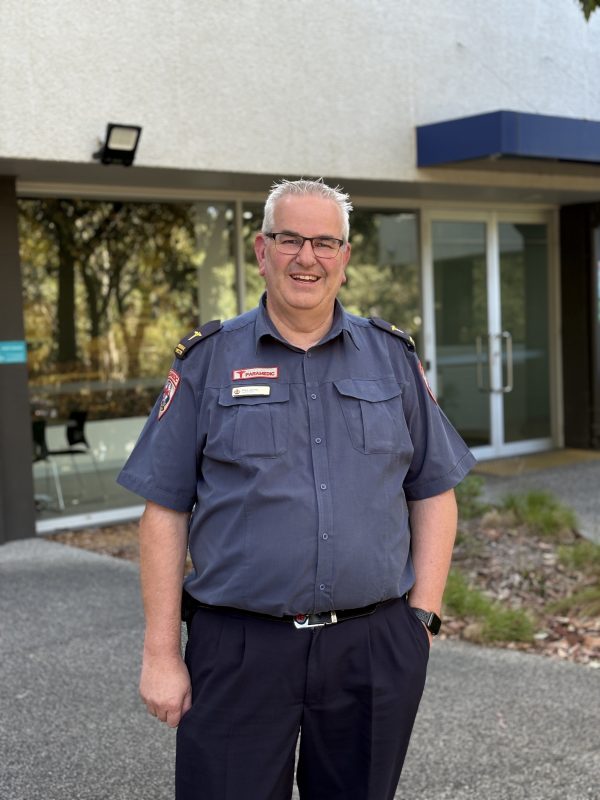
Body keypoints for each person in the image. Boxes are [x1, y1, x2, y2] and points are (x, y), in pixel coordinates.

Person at [117, 178, 476, 800]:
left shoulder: (392, 359)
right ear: (262, 250)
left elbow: (433, 489)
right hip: (240, 647)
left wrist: (422, 617)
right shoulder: (208, 359)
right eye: (290, 239)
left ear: (344, 258)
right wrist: (160, 653)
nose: (306, 257)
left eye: (324, 242)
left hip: (372, 644)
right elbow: (165, 511)